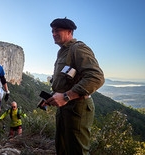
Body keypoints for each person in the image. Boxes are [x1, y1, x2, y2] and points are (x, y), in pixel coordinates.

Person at [44, 18, 105, 155]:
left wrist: (66, 97)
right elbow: (64, 81)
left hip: (78, 107)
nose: (53, 34)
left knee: (77, 150)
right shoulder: (63, 52)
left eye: (57, 31)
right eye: (52, 31)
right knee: (62, 147)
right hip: (65, 107)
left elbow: (96, 77)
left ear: (69, 32)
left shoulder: (78, 48)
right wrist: (53, 97)